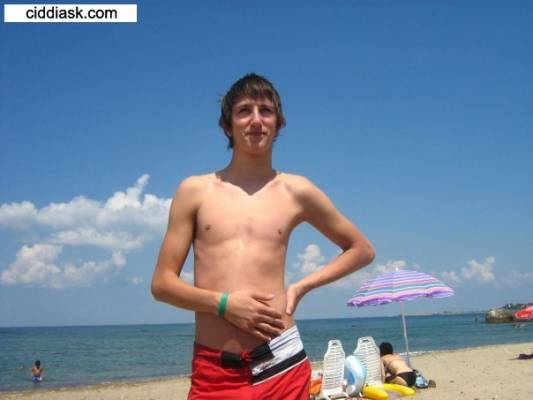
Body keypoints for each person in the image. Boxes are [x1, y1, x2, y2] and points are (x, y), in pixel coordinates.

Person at [151, 73, 375, 399]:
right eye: (244, 111)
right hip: (214, 374)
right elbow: (161, 284)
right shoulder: (194, 191)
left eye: (265, 111)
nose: (256, 120)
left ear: (278, 124)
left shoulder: (296, 191)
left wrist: (301, 286)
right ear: (227, 125)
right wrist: (224, 304)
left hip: (282, 365)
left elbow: (361, 249)